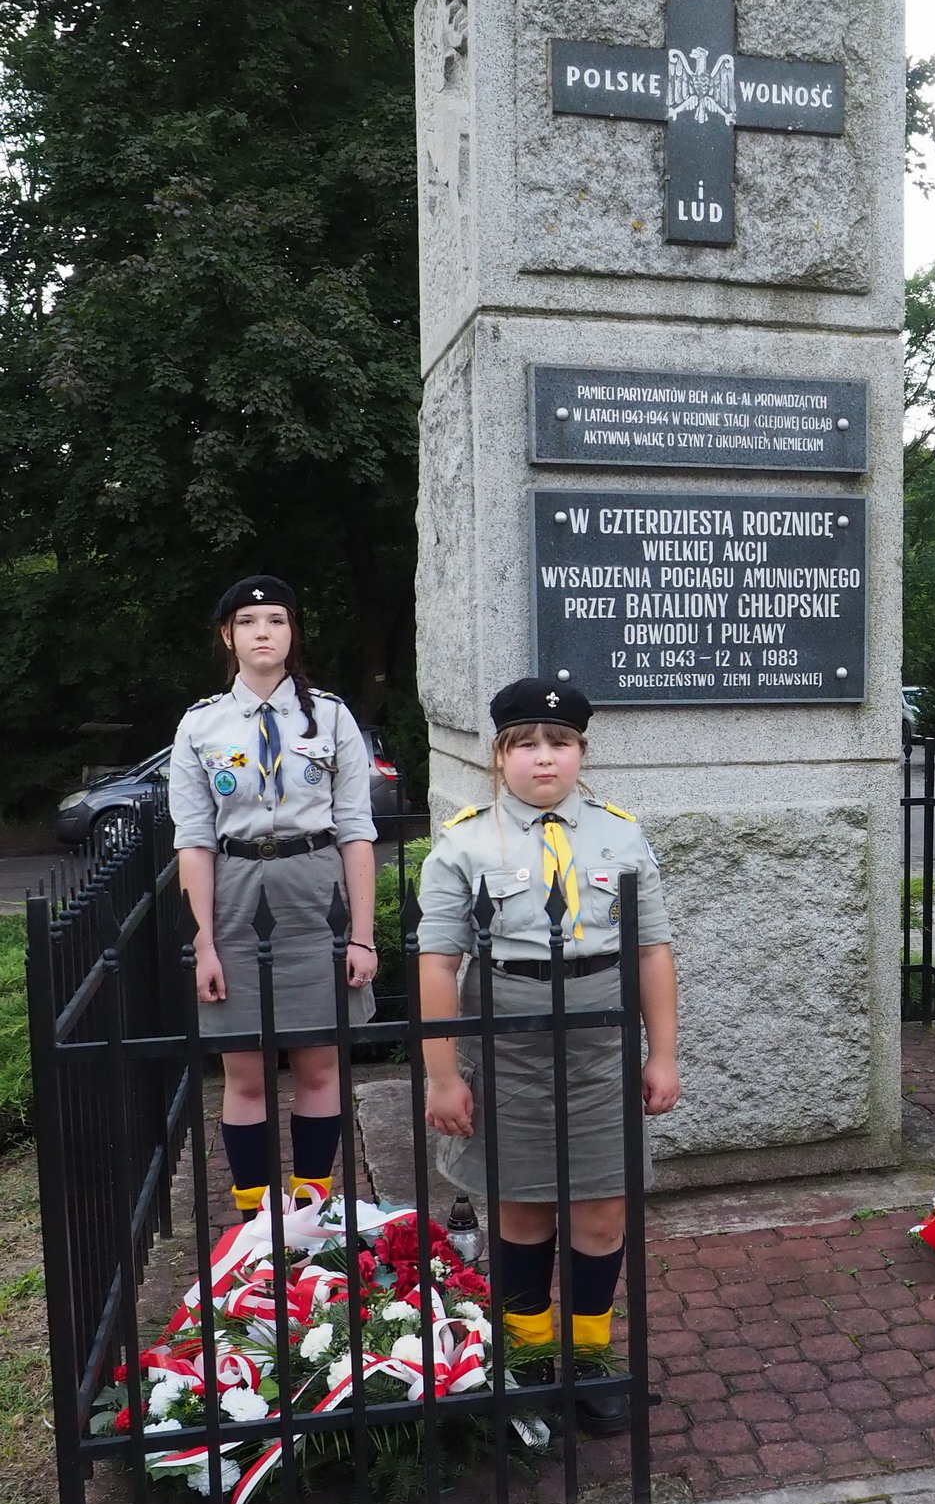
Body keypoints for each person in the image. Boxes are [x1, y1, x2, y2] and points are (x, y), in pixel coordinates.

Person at [417, 677, 680, 1436]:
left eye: (559, 742)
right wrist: (441, 1074)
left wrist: (662, 1053)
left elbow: (652, 951)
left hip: (600, 1037)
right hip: (508, 1035)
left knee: (602, 1207)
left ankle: (590, 1359)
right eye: (525, 743)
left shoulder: (620, 834)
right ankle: (528, 1357)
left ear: (580, 752)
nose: (543, 757)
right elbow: (438, 964)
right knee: (522, 1205)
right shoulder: (466, 840)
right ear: (499, 755)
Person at [167, 575, 378, 1218]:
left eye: (277, 620)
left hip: (315, 892)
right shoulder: (201, 724)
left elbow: (357, 831)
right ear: (227, 636)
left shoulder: (332, 716)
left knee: (319, 1067)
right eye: (249, 621)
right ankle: (257, 1225)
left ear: (293, 633)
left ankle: (312, 1215)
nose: (264, 632)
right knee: (246, 1074)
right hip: (235, 892)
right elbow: (194, 841)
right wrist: (203, 944)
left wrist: (363, 935)